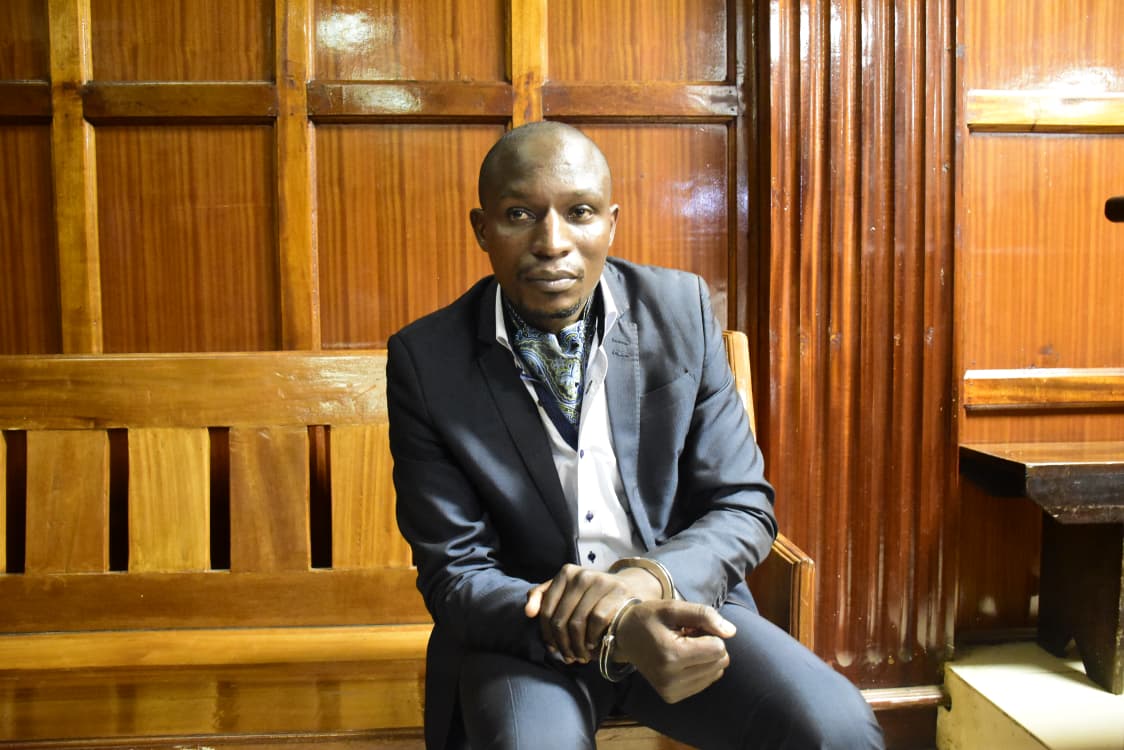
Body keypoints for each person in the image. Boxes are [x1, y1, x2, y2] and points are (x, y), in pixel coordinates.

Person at [387, 121, 883, 750]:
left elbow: (742, 506)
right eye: (519, 215)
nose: (552, 243)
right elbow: (456, 574)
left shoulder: (680, 311)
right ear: (482, 229)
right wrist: (617, 623)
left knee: (838, 728)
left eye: (580, 212)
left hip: (680, 606)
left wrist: (644, 586)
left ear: (611, 223)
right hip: (526, 634)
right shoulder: (427, 361)